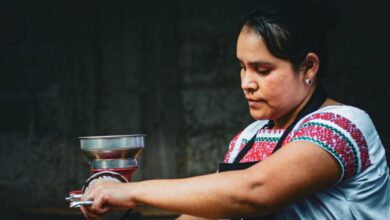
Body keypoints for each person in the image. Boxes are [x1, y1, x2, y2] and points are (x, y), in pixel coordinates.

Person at [80, 0, 390, 219]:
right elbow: (212, 209)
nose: (246, 83)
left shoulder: (344, 126)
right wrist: (115, 200)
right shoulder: (250, 137)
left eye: (262, 70)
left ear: (308, 66)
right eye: (242, 67)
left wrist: (133, 193)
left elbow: (253, 192)